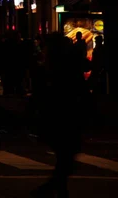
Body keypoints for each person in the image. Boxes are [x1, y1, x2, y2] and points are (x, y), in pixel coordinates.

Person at [32, 34, 84, 198]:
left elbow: (38, 95)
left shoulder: (47, 68)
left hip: (54, 118)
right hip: (67, 117)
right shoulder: (68, 68)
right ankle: (52, 189)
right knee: (66, 160)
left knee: (64, 159)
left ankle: (55, 189)